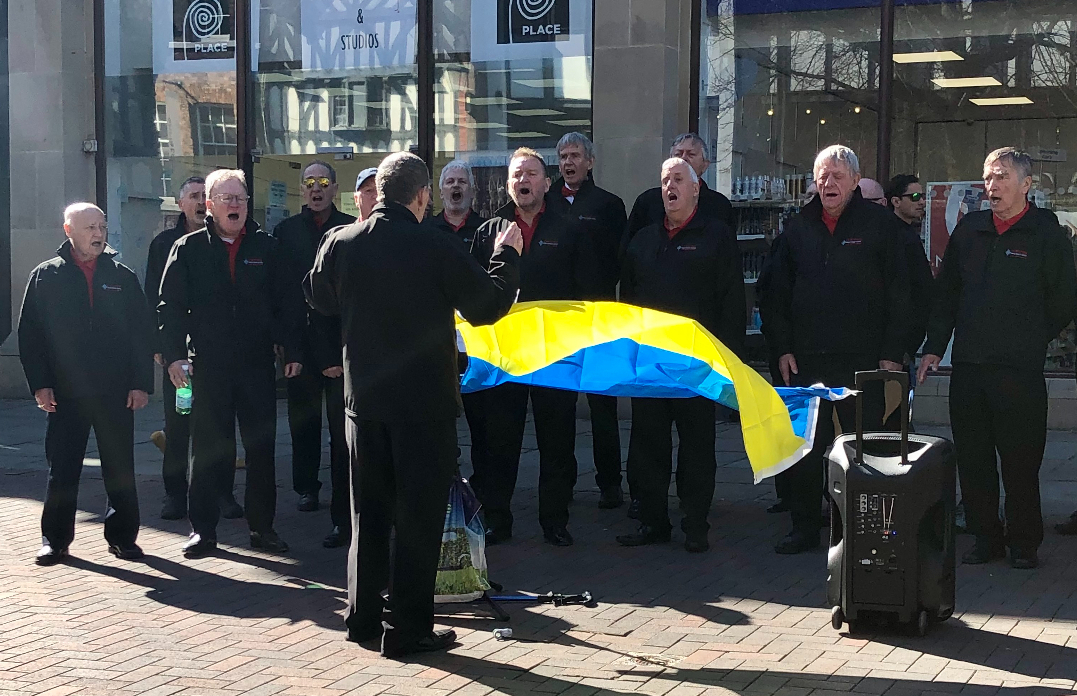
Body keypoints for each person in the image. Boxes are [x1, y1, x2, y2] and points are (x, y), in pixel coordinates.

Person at [305, 151, 521, 659]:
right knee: (418, 519)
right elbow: (488, 306)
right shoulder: (435, 244)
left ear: (379, 193)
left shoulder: (341, 240)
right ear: (423, 196)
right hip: (423, 407)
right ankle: (408, 629)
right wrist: (507, 255)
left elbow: (317, 296)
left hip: (364, 404)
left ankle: (361, 617)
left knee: (367, 514)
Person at [919, 148, 1077, 569]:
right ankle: (985, 537)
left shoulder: (1045, 234)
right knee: (973, 459)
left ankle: (1023, 542)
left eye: (1002, 177)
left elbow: (1064, 299)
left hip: (1018, 370)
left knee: (1020, 460)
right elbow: (947, 295)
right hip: (970, 367)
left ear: (1026, 185)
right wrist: (934, 346)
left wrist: (1031, 338)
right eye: (988, 177)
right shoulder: (970, 230)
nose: (993, 185)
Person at [763, 144, 912, 555]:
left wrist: (893, 351)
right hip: (806, 359)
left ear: (855, 181)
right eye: (822, 176)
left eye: (837, 176)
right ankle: (804, 527)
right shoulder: (798, 227)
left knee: (864, 450)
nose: (828, 183)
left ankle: (862, 532)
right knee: (805, 449)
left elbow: (902, 293)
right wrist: (782, 347)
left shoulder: (880, 225)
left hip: (863, 360)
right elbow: (774, 295)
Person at [159, 168, 305, 559]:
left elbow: (289, 303)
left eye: (240, 198)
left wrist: (293, 350)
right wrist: (174, 356)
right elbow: (170, 307)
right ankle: (203, 531)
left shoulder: (268, 248)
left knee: (261, 450)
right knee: (207, 450)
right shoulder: (188, 249)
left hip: (256, 365)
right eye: (226, 198)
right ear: (210, 205)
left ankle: (263, 529)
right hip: (208, 366)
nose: (235, 205)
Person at [616, 158, 745, 553]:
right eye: (664, 181)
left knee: (697, 448)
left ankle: (695, 524)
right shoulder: (644, 239)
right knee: (648, 447)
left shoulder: (716, 236)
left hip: (697, 362)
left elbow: (731, 300)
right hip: (651, 362)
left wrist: (729, 358)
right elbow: (628, 300)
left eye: (677, 179)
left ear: (695, 189)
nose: (669, 187)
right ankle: (652, 521)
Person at [471, 148, 598, 547]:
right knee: (500, 441)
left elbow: (586, 293)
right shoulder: (489, 232)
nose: (522, 180)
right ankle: (497, 519)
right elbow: (474, 294)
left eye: (530, 173)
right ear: (508, 184)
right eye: (516, 175)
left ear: (546, 182)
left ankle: (555, 521)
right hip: (504, 356)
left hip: (555, 352)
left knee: (557, 440)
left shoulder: (570, 228)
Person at [19, 203, 153, 565]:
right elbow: (30, 335)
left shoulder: (122, 276)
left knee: (119, 468)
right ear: (69, 231)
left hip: (115, 391)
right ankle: (55, 540)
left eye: (102, 227)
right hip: (66, 392)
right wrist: (40, 384)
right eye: (90, 227)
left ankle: (123, 538)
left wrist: (140, 383)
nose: (98, 234)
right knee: (63, 469)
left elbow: (141, 334)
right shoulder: (46, 276)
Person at [273, 161, 355, 549]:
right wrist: (285, 343)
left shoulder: (349, 228)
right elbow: (280, 293)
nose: (316, 189)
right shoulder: (286, 231)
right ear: (302, 189)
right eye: (310, 183)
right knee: (303, 421)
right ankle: (306, 487)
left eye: (323, 182)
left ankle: (344, 494)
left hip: (339, 345)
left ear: (335, 188)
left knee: (341, 429)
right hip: (300, 345)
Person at [546, 132, 628, 510]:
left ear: (590, 162)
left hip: (597, 317)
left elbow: (620, 259)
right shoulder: (546, 201)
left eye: (575, 155)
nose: (569, 162)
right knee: (558, 407)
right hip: (556, 320)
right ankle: (561, 483)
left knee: (602, 405)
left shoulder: (609, 205)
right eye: (563, 156)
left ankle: (610, 483)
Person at [145, 177, 225, 521]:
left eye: (205, 196)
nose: (200, 201)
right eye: (194, 196)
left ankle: (221, 492)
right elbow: (153, 297)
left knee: (217, 424)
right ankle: (175, 494)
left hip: (215, 350)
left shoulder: (222, 239)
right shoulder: (164, 244)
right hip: (178, 353)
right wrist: (160, 345)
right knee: (178, 423)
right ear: (180, 204)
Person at [424, 159, 492, 483]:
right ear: (440, 192)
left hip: (478, 347)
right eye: (449, 182)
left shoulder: (487, 231)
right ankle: (444, 493)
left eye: (461, 182)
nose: (455, 187)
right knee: (439, 432)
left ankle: (486, 497)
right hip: (437, 347)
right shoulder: (424, 233)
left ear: (472, 191)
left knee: (485, 430)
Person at [624, 133, 735, 246]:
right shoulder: (648, 202)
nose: (683, 158)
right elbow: (629, 249)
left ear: (705, 165)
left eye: (691, 154)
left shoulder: (719, 205)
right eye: (678, 154)